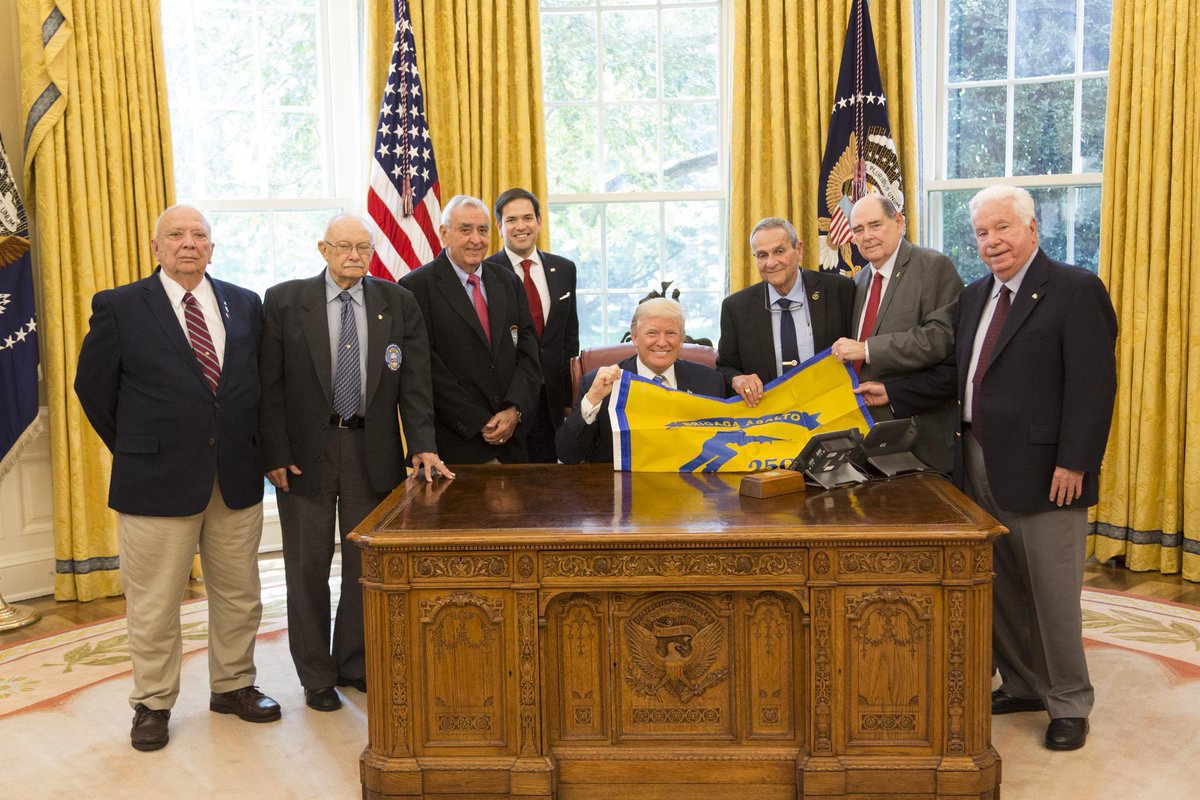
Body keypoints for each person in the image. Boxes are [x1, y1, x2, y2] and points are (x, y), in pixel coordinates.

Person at [856, 185, 1117, 752]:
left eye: (1002, 228)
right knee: (999, 589)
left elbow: (1094, 386)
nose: (992, 241)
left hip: (1047, 469)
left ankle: (1070, 702)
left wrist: (1075, 460)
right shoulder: (976, 296)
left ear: (1032, 228)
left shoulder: (1075, 289)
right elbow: (958, 376)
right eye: (981, 233)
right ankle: (1022, 683)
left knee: (1052, 593)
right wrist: (892, 393)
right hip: (971, 462)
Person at [74, 205, 280, 752]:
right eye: (177, 235)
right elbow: (93, 389)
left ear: (212, 247)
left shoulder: (244, 303)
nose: (189, 243)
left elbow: (257, 386)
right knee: (155, 602)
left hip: (235, 475)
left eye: (199, 235)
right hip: (155, 478)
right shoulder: (120, 306)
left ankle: (234, 686)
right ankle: (153, 702)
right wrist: (139, 444)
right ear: (156, 247)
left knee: (240, 593)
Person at [259, 214, 454, 712]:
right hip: (306, 454)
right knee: (307, 566)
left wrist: (422, 444)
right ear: (323, 248)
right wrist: (274, 451)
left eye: (363, 247)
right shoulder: (284, 300)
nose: (355, 256)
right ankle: (315, 675)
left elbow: (415, 381)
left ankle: (352, 662)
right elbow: (270, 384)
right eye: (344, 246)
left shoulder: (397, 301)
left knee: (363, 566)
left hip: (374, 450)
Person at [400, 195, 541, 464]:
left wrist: (514, 409)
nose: (476, 239)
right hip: (456, 445)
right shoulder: (416, 287)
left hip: (512, 442)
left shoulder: (507, 281)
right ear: (444, 233)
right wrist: (479, 422)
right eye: (465, 229)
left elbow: (528, 350)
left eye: (483, 230)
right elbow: (425, 368)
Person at [829, 195, 963, 472]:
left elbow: (941, 338)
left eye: (875, 225)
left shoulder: (932, 266)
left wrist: (867, 349)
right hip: (870, 436)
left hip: (921, 436)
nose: (867, 236)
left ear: (899, 222)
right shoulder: (860, 279)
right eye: (858, 229)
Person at [557, 298, 725, 463]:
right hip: (617, 485)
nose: (661, 342)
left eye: (671, 333)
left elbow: (721, 450)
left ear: (681, 340)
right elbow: (568, 455)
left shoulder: (709, 382)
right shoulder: (599, 384)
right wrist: (592, 399)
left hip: (688, 486)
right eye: (652, 333)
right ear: (635, 338)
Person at [483, 188, 579, 462]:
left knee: (548, 486)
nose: (521, 226)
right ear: (500, 227)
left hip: (551, 402)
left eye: (527, 217)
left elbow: (569, 335)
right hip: (505, 402)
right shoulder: (486, 273)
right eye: (511, 220)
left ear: (539, 221)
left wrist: (566, 398)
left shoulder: (564, 269)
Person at [717, 217, 854, 406]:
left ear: (798, 250)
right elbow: (724, 367)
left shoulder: (839, 291)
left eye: (779, 251)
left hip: (832, 409)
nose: (771, 263)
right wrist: (737, 379)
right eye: (762, 255)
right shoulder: (736, 307)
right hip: (770, 416)